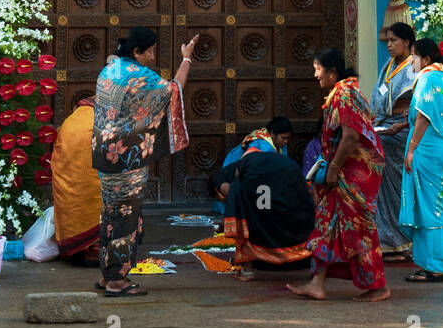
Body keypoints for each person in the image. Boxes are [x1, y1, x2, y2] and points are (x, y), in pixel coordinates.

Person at [92, 25, 197, 298]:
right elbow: (174, 91)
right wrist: (186, 58)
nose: (152, 57)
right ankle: (117, 281)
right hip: (127, 160)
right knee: (126, 218)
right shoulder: (141, 77)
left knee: (109, 216)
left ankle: (106, 276)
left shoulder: (110, 70)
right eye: (149, 52)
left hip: (104, 157)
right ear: (137, 51)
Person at [287, 48, 390, 302]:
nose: (315, 75)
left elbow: (351, 137)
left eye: (318, 69)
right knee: (325, 223)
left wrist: (333, 168)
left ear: (332, 71)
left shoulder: (344, 95)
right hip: (342, 173)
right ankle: (317, 283)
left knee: (359, 229)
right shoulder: (345, 91)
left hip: (352, 174)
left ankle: (379, 286)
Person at [399, 37, 443, 282]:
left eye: (414, 59)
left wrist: (411, 150)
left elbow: (423, 117)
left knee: (432, 209)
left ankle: (437, 267)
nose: (412, 65)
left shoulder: (427, 78)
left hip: (432, 153)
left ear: (426, 59)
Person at [212, 146, 315, 280]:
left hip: (271, 194)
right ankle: (315, 264)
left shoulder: (239, 172)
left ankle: (247, 270)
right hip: (292, 188)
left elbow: (231, 193)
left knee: (243, 215)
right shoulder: (268, 160)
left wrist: (231, 217)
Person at [371, 22, 417, 261]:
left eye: (394, 41)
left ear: (407, 42)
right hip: (382, 132)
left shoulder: (414, 65)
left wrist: (403, 114)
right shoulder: (388, 65)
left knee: (399, 189)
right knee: (382, 190)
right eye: (387, 41)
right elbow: (379, 94)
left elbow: (417, 99)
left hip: (400, 135)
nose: (389, 45)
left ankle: (403, 240)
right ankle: (387, 241)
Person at [50, 91, 101, 265]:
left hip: (71, 166)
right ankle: (96, 248)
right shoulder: (107, 116)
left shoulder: (74, 118)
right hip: (91, 164)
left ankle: (78, 247)